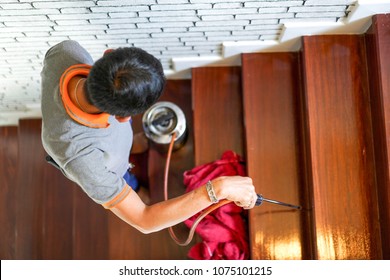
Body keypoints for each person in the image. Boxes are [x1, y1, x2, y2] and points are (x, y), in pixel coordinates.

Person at [40, 40, 257, 234]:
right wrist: (218, 189)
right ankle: (134, 185)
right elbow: (144, 219)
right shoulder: (81, 158)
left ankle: (133, 148)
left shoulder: (65, 51)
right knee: (127, 180)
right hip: (113, 167)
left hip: (109, 144)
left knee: (122, 147)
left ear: (109, 54)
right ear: (123, 117)